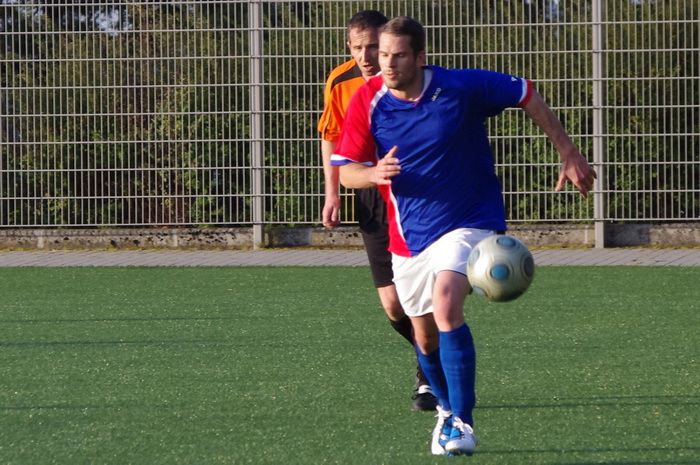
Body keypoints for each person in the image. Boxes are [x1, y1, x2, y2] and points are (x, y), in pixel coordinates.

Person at [332, 16, 596, 456]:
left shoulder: (460, 87)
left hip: (469, 219)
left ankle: (462, 422)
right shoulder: (367, 100)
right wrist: (373, 173)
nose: (388, 64)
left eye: (398, 56)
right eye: (383, 55)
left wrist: (567, 150)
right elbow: (346, 171)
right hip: (409, 235)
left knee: (446, 302)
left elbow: (525, 92)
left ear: (420, 57)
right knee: (424, 337)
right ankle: (445, 409)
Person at [317, 11, 438, 411]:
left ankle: (429, 377)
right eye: (357, 48)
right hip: (371, 195)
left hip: (415, 194)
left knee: (427, 295)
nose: (366, 57)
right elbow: (332, 138)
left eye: (374, 47)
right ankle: (432, 355)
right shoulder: (341, 82)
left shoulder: (415, 78)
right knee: (392, 305)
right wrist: (333, 193)